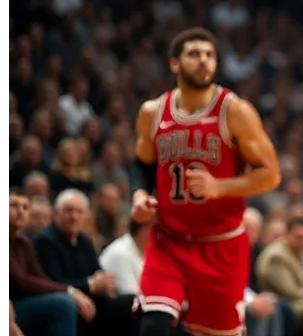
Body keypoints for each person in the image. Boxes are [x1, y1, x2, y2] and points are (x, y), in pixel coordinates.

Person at [131, 27, 282, 336]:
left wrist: (219, 187)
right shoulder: (152, 112)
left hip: (220, 246)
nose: (203, 61)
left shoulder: (235, 111)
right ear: (175, 64)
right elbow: (142, 165)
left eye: (209, 55)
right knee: (153, 325)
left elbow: (271, 174)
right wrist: (139, 195)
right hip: (168, 241)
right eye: (194, 54)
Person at [33, 189, 136, 335]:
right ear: (56, 213)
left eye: (79, 212)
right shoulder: (45, 241)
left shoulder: (84, 241)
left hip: (93, 301)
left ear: (85, 216)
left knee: (132, 303)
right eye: (68, 211)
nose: (74, 216)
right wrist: (90, 285)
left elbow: (97, 272)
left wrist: (107, 282)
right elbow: (52, 281)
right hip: (67, 302)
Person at [8, 189, 92, 336]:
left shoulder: (23, 243)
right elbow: (21, 281)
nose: (21, 211)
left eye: (25, 207)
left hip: (22, 304)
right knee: (63, 304)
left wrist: (69, 292)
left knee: (68, 302)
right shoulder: (42, 240)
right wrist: (69, 290)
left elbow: (41, 278)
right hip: (12, 307)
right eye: (14, 205)